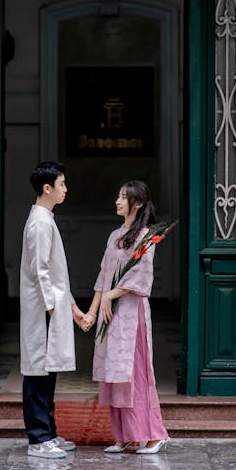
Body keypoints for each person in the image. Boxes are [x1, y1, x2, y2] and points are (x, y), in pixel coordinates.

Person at [83, 180, 170, 454]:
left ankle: (154, 435)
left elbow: (142, 278)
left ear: (139, 203)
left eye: (124, 197)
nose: (118, 201)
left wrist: (112, 295)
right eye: (118, 196)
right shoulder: (114, 236)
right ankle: (123, 436)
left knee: (135, 374)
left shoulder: (146, 236)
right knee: (114, 374)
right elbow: (103, 276)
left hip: (132, 314)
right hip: (111, 315)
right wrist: (93, 310)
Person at [20, 160, 86, 459]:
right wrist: (50, 306)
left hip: (52, 306)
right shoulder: (40, 222)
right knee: (38, 373)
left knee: (48, 373)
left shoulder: (46, 218)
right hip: (44, 308)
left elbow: (55, 272)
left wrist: (68, 306)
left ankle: (49, 432)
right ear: (47, 188)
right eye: (61, 185)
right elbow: (40, 270)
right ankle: (38, 438)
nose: (65, 190)